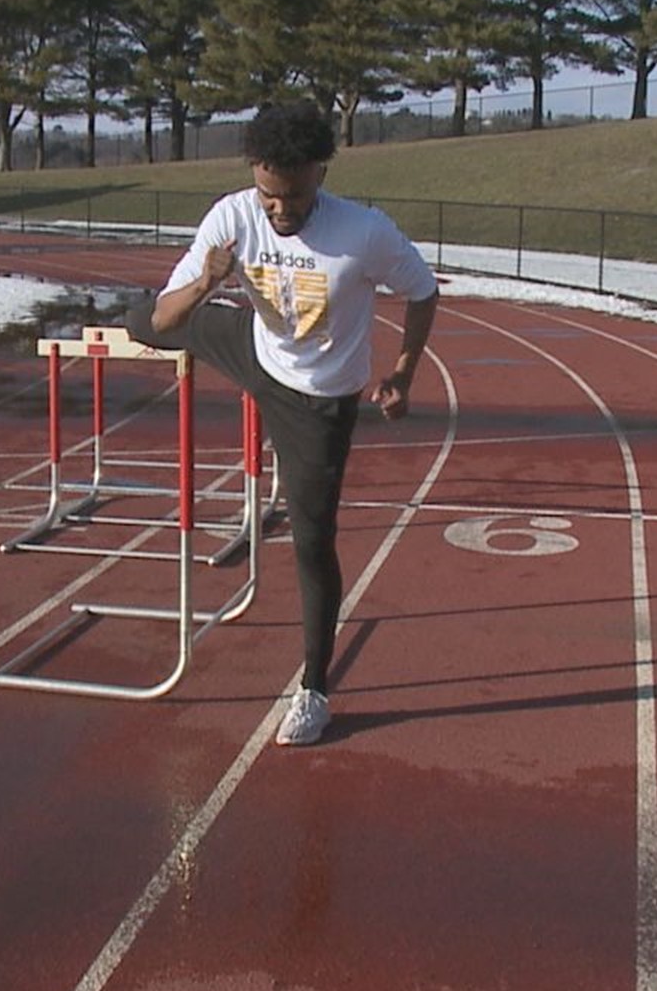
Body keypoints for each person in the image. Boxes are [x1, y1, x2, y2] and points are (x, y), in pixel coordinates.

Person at [125, 101, 440, 746]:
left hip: (317, 399)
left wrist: (403, 373)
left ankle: (315, 689)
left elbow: (423, 289)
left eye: (292, 195)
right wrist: (206, 283)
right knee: (145, 322)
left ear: (319, 173)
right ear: (255, 175)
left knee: (309, 539)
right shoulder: (232, 216)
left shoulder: (365, 232)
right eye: (269, 193)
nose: (279, 209)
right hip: (253, 346)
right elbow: (165, 320)